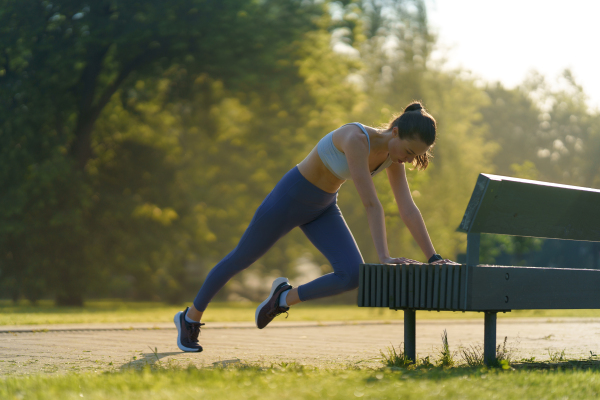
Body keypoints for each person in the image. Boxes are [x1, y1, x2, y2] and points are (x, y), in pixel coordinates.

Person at [174, 101, 456, 352]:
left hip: (323, 208)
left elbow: (407, 208)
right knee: (241, 258)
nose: (408, 159)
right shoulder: (356, 138)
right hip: (289, 198)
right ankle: (189, 318)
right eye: (408, 151)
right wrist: (383, 256)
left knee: (351, 275)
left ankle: (282, 298)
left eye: (414, 156)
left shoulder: (393, 158)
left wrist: (433, 257)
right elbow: (371, 204)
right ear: (395, 132)